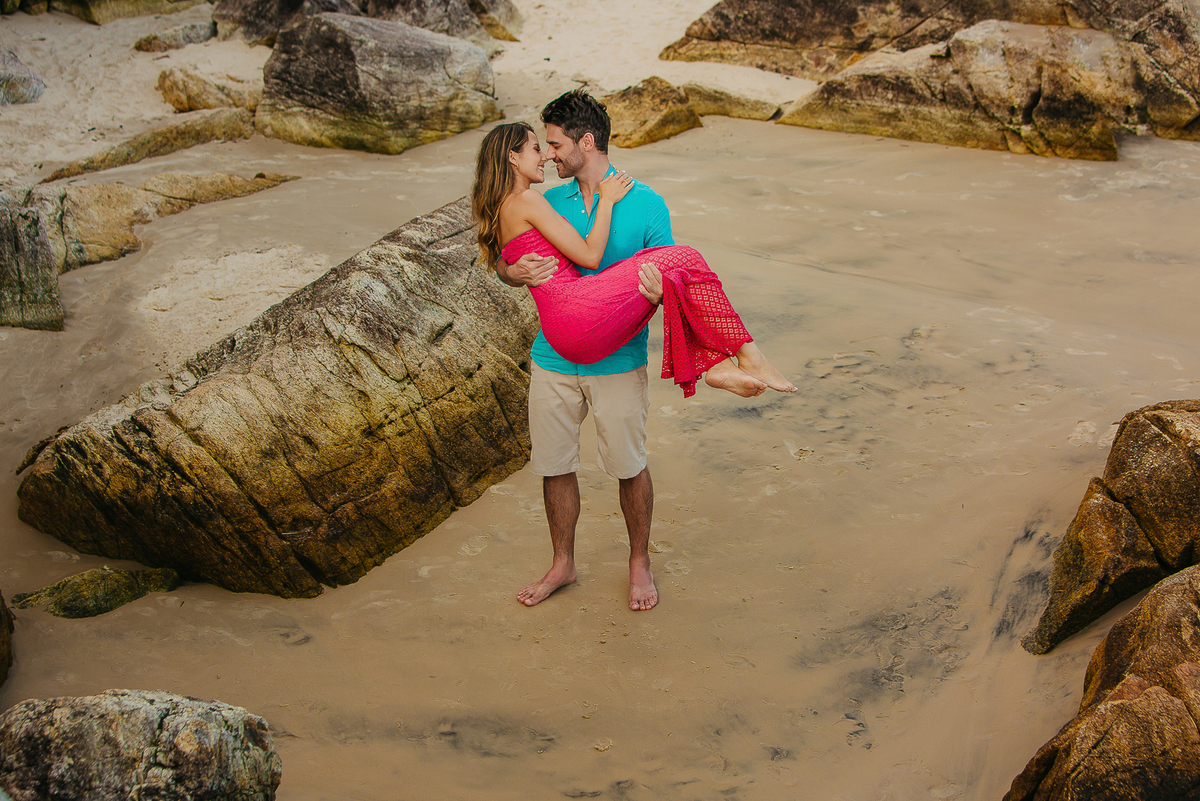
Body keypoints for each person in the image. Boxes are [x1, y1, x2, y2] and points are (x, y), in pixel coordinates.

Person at [472, 92, 793, 612]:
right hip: (555, 354)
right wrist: (511, 271)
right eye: (541, 146)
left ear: (586, 142)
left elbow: (672, 282)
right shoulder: (546, 199)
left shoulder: (646, 203)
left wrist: (658, 290)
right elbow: (510, 254)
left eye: (554, 144)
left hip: (618, 357)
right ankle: (562, 563)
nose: (549, 155)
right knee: (555, 466)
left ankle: (639, 561)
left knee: (628, 466)